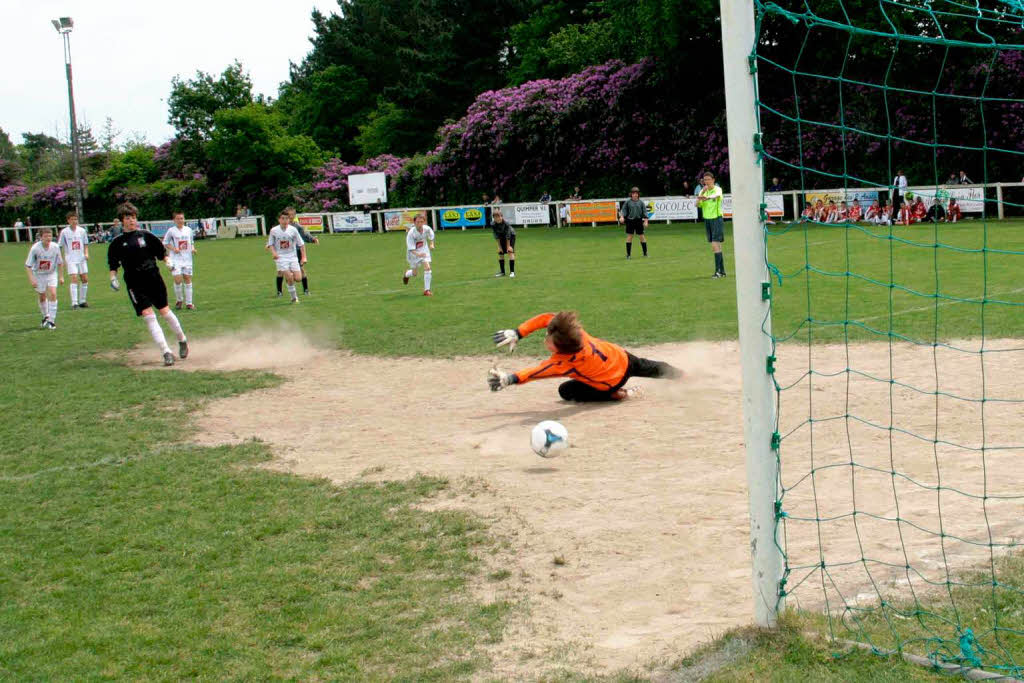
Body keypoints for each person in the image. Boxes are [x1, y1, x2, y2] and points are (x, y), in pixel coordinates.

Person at [487, 311, 682, 402]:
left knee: (565, 391)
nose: (546, 338)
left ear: (560, 349)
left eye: (549, 340)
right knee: (654, 368)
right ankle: (685, 375)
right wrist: (519, 332)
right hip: (623, 358)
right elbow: (547, 318)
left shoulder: (563, 363)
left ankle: (622, 394)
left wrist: (510, 378)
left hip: (611, 382)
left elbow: (536, 372)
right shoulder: (578, 334)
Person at [107, 202, 189, 366]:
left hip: (153, 277)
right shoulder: (117, 242)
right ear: (122, 220)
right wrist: (113, 278)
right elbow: (113, 264)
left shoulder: (145, 235)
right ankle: (166, 352)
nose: (132, 221)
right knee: (149, 317)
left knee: (165, 312)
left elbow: (161, 253)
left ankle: (182, 339)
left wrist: (168, 262)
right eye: (128, 218)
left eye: (134, 218)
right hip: (134, 282)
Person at [25, 227, 64, 329]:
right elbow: (28, 265)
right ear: (41, 237)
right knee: (42, 296)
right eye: (46, 236)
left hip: (51, 274)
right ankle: (45, 316)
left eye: (50, 236)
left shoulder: (55, 247)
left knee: (53, 293)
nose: (48, 238)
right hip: (39, 274)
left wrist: (61, 277)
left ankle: (52, 321)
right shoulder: (35, 248)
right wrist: (32, 279)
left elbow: (60, 263)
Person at [266, 210, 306, 303]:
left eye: (286, 218)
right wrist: (274, 253)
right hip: (281, 258)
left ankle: (290, 277)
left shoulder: (293, 230)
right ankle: (294, 298)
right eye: (282, 218)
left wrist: (304, 257)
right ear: (279, 219)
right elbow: (270, 244)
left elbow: (301, 244)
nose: (285, 220)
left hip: (293, 257)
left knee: (298, 278)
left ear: (289, 219)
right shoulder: (274, 230)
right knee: (289, 277)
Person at [162, 210, 197, 310]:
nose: (180, 220)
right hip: (175, 259)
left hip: (187, 259)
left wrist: (193, 249)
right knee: (178, 280)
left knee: (187, 279)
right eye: (178, 219)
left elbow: (191, 242)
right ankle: (179, 300)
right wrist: (174, 249)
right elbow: (165, 243)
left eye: (182, 218)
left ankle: (189, 303)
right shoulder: (171, 231)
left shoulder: (188, 230)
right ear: (174, 220)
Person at [696, 172, 727, 278]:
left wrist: (707, 198)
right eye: (705, 180)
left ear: (713, 180)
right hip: (707, 220)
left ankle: (718, 272)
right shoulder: (703, 191)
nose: (707, 182)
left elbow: (717, 195)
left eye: (709, 179)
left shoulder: (717, 189)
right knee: (717, 245)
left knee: (715, 245)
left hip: (716, 219)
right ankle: (722, 271)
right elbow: (697, 204)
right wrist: (701, 195)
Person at [58, 211, 90, 309]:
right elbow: (59, 246)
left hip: (81, 258)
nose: (74, 221)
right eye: (72, 219)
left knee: (84, 279)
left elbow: (85, 243)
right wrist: (60, 258)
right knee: (74, 279)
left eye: (75, 219)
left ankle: (82, 301)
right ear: (68, 220)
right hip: (71, 258)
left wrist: (86, 253)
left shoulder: (82, 231)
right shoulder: (64, 232)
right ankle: (74, 303)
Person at [401, 213, 435, 296]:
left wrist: (431, 244)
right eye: (418, 222)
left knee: (428, 268)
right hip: (413, 254)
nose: (420, 224)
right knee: (414, 273)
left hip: (424, 250)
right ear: (414, 222)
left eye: (421, 222)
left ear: (424, 222)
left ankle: (427, 290)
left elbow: (431, 236)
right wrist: (418, 255)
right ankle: (406, 274)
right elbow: (411, 249)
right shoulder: (411, 233)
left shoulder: (427, 229)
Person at [288, 207, 319, 295]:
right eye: (288, 215)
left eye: (291, 215)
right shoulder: (283, 226)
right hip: (286, 252)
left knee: (301, 269)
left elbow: (305, 235)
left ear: (294, 216)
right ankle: (283, 292)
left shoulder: (297, 226)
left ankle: (306, 290)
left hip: (297, 251)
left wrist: (313, 239)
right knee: (284, 272)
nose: (290, 217)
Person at [618, 186, 649, 259]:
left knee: (642, 237)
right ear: (631, 194)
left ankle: (645, 253)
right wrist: (622, 217)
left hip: (638, 221)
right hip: (630, 221)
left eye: (636, 193)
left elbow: (645, 213)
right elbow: (623, 211)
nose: (635, 195)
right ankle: (628, 255)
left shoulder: (641, 202)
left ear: (638, 194)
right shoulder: (627, 202)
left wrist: (646, 221)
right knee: (629, 237)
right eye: (633, 193)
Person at [490, 208, 516, 278]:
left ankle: (512, 272)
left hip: (511, 235)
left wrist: (508, 247)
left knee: (510, 251)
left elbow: (508, 236)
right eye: (495, 217)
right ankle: (502, 272)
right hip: (501, 236)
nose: (497, 218)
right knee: (500, 252)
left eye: (499, 216)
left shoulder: (506, 224)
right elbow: (496, 236)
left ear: (502, 216)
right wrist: (499, 247)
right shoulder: (493, 224)